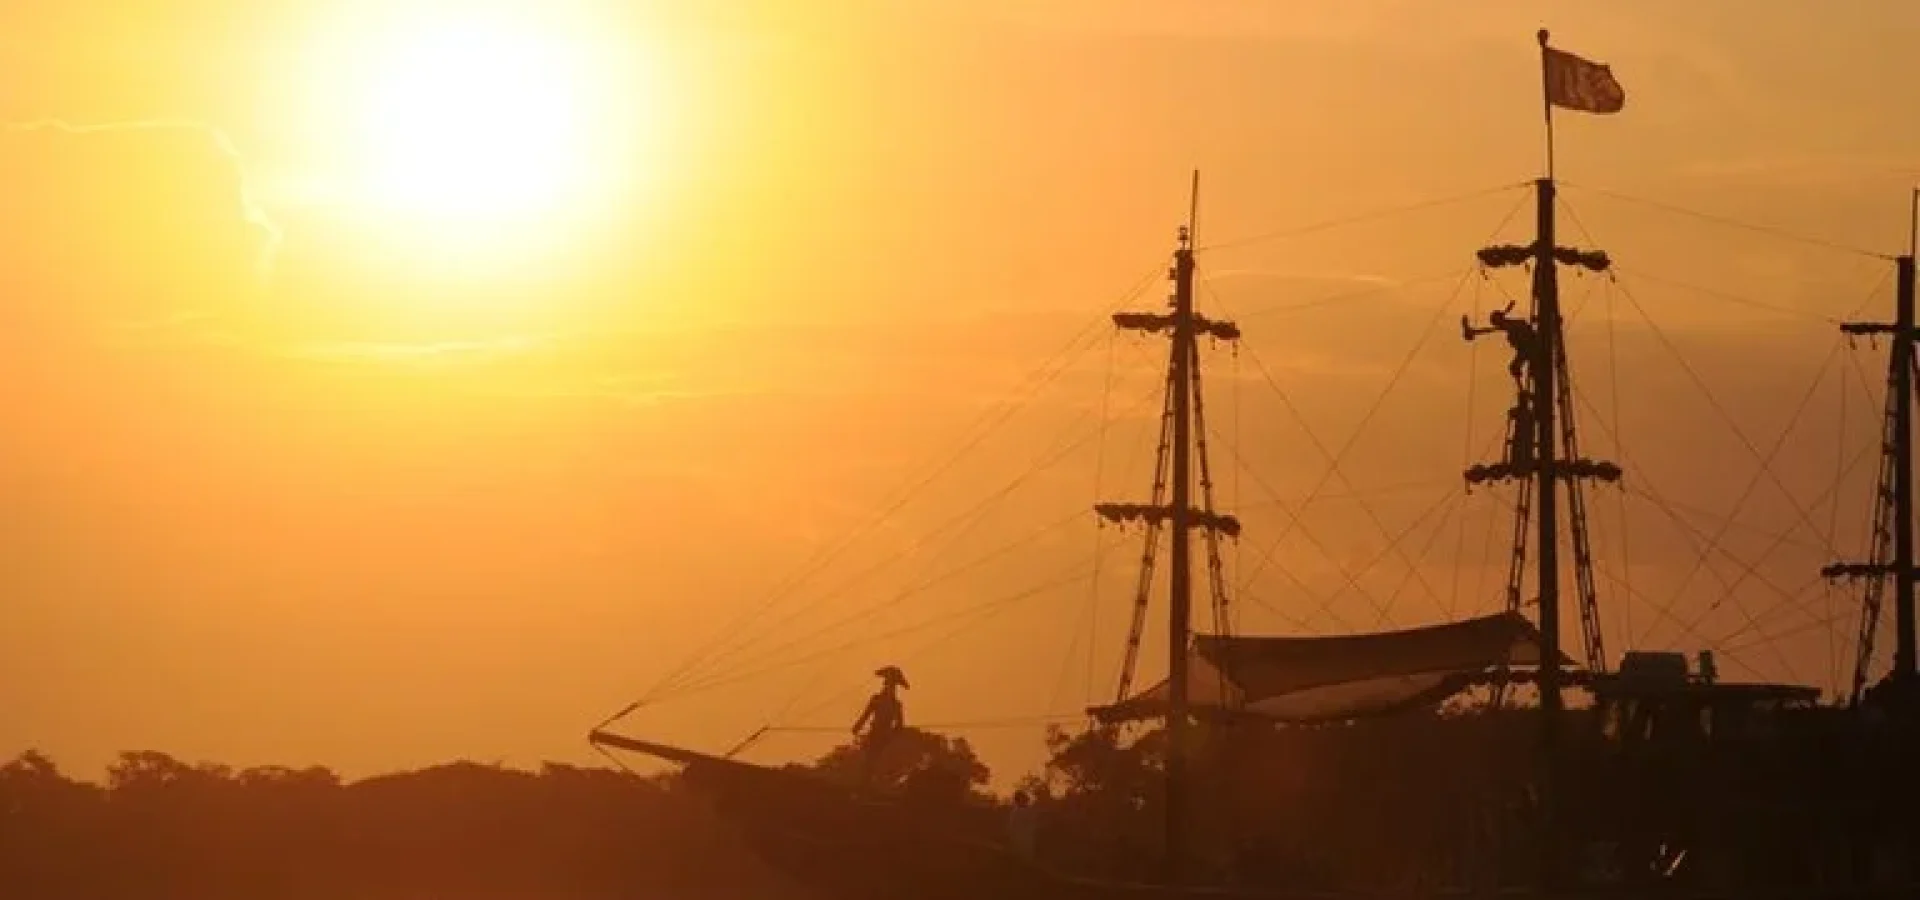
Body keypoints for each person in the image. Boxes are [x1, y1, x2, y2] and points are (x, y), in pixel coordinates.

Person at [1462, 304, 1539, 389]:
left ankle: (1522, 390)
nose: (1497, 325)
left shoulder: (1511, 325)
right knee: (1517, 368)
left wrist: (1472, 331)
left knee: (1515, 367)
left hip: (1528, 349)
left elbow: (1489, 329)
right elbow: (1490, 329)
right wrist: (1473, 331)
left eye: (1496, 322)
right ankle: (1522, 390)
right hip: (1527, 349)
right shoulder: (1510, 323)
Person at [852, 665, 908, 772]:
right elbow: (866, 715)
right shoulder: (878, 699)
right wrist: (857, 726)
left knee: (874, 761)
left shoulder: (895, 704)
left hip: (884, 737)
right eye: (887, 685)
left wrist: (891, 735)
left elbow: (900, 725)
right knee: (869, 761)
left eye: (891, 686)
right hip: (876, 734)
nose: (888, 688)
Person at [1006, 790, 1038, 860]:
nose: (1026, 800)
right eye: (1023, 798)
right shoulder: (1017, 812)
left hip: (1027, 842)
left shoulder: (1023, 811)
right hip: (1020, 843)